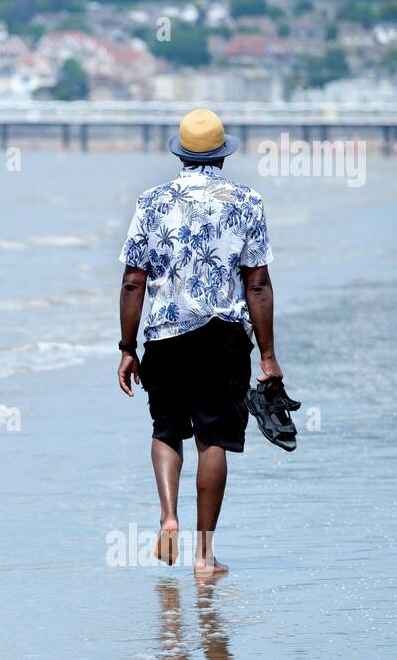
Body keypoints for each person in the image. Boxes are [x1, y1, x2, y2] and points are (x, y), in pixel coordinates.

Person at [116, 108, 281, 578]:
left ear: (182, 155)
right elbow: (258, 284)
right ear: (223, 157)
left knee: (166, 429)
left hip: (165, 335)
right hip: (222, 338)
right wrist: (268, 356)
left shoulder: (151, 201)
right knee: (214, 439)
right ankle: (204, 556)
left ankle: (168, 516)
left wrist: (127, 347)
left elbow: (133, 282)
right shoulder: (246, 201)